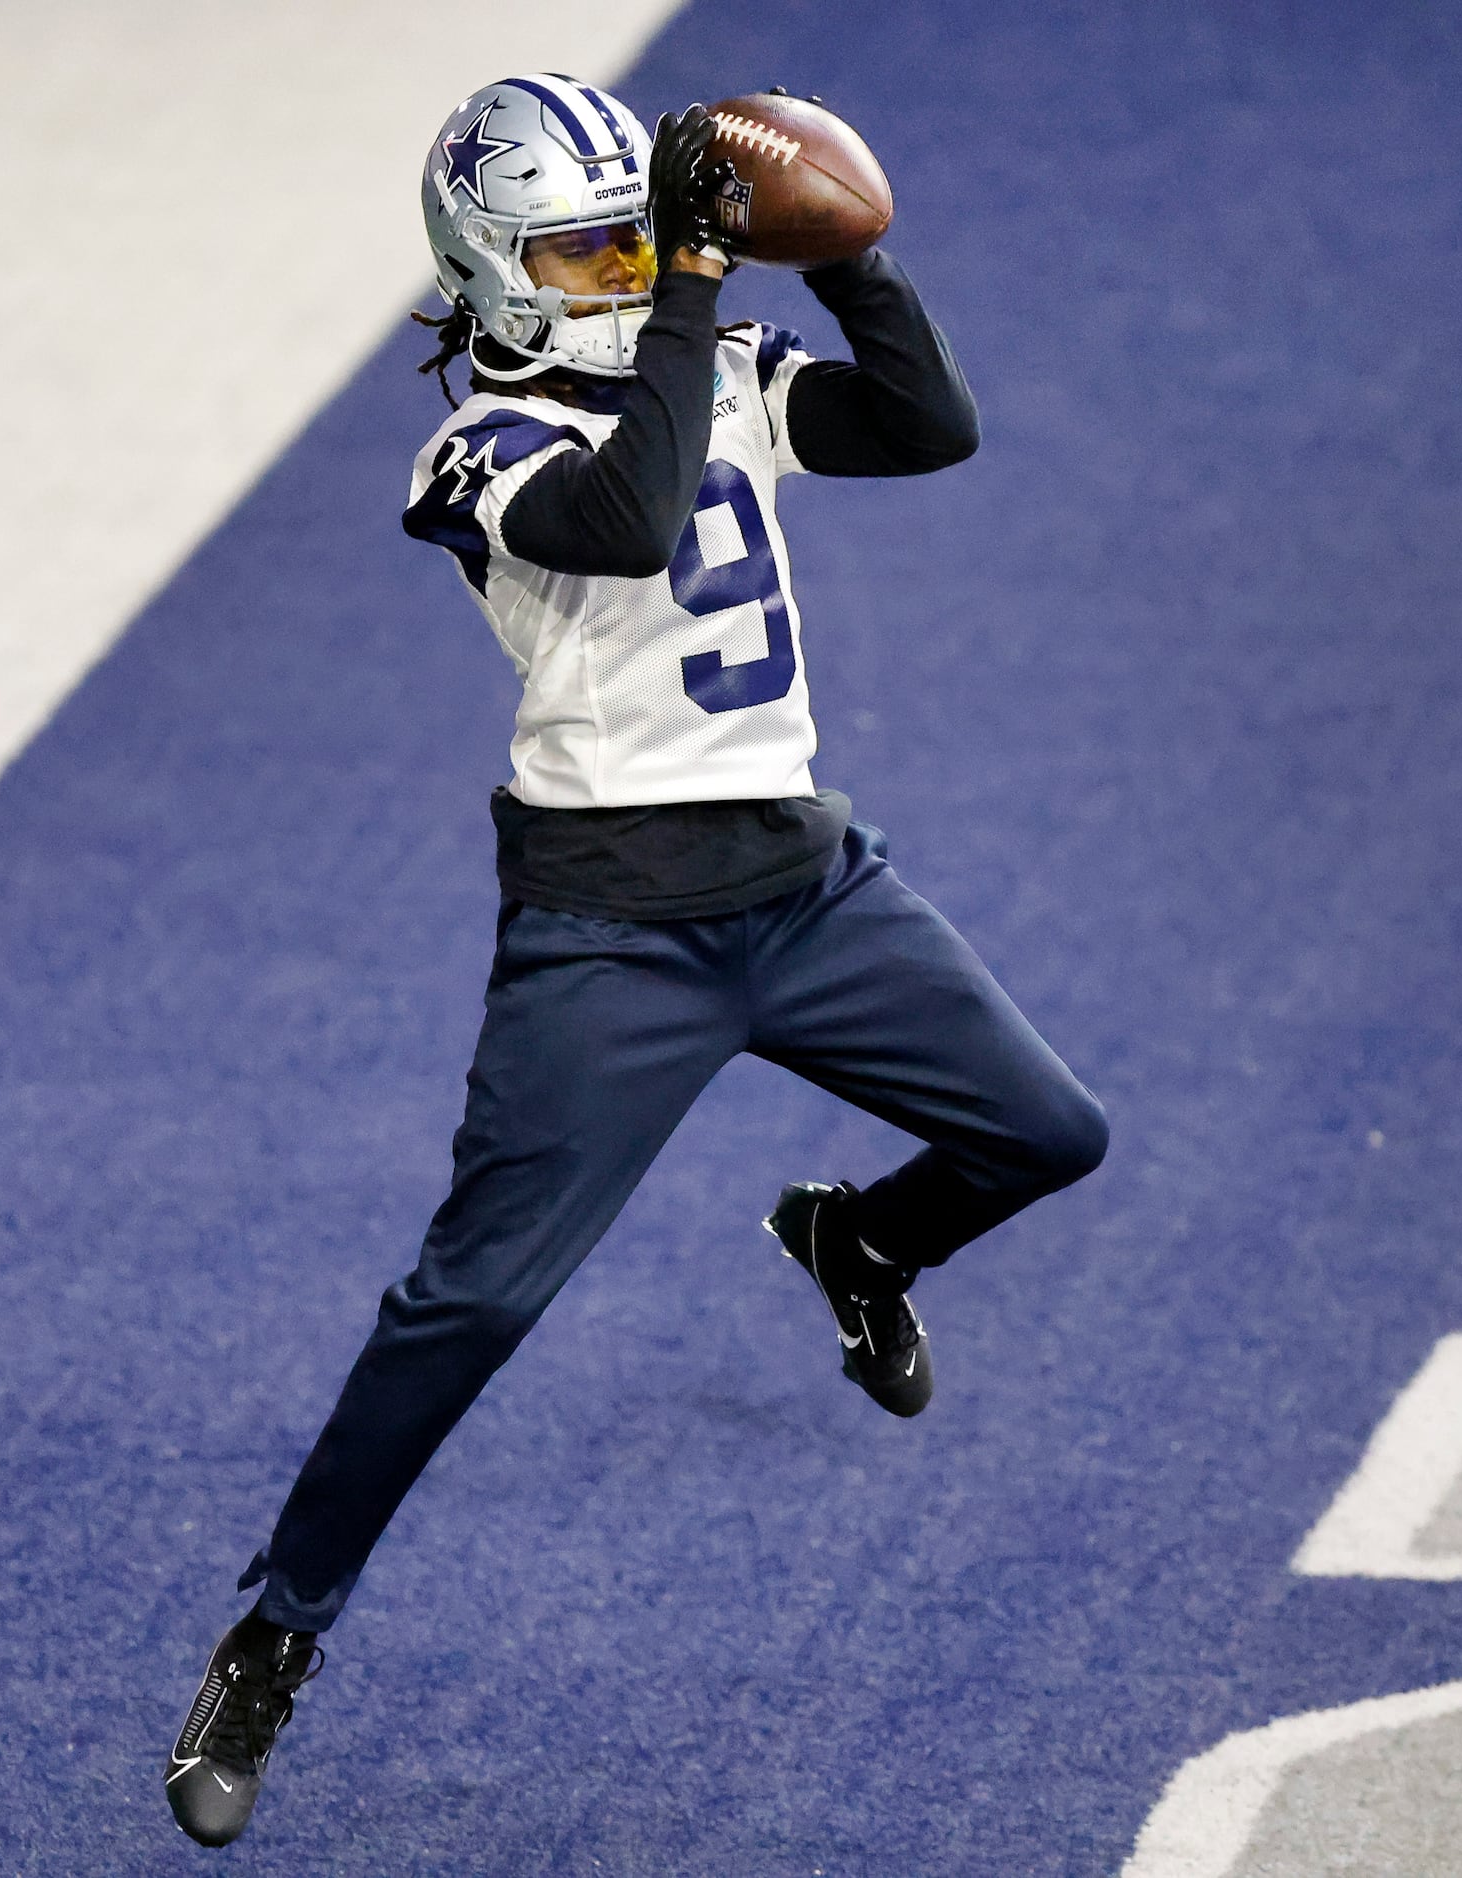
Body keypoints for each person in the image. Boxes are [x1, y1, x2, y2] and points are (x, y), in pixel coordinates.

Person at [164, 75, 1107, 1847]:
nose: (625, 273)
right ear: (497, 273)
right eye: (587, 250)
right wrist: (687, 286)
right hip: (610, 930)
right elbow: (632, 518)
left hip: (807, 883)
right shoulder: (480, 448)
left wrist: (847, 253)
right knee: (471, 1306)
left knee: (1054, 1133)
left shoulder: (716, 359)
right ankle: (273, 1634)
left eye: (640, 239)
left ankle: (857, 1234)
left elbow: (933, 427)